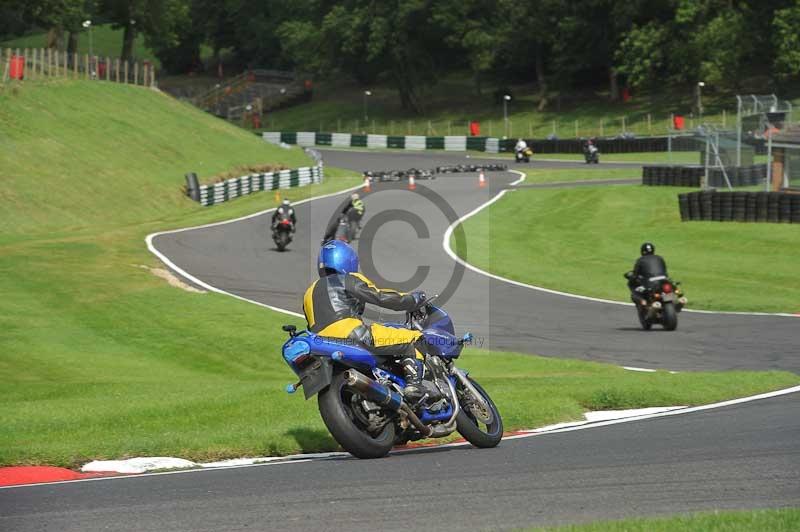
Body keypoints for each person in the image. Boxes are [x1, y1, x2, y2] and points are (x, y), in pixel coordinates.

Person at [303, 240, 428, 400]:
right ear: (347, 261)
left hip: (322, 345)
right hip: (354, 336)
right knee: (415, 338)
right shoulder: (348, 279)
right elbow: (381, 297)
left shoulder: (309, 292)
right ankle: (414, 386)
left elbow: (310, 324)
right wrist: (413, 300)